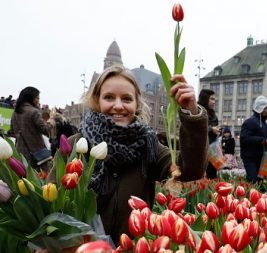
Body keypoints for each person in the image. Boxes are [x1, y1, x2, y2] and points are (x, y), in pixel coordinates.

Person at [50, 65, 208, 244]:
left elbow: (190, 170)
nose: (118, 106)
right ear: (97, 100)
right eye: (109, 97)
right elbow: (51, 200)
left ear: (137, 104)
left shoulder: (149, 145)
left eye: (126, 99)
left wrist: (192, 114)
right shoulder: (76, 145)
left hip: (132, 247)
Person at [9, 87, 53, 171]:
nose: (39, 101)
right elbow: (45, 130)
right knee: (40, 180)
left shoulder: (15, 113)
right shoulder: (34, 112)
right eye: (37, 98)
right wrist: (51, 122)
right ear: (31, 98)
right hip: (37, 155)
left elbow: (12, 132)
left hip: (20, 153)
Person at [240, 95, 267, 183]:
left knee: (260, 182)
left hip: (261, 157)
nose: (266, 110)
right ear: (258, 108)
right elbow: (244, 138)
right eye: (264, 108)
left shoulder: (265, 124)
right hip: (250, 157)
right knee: (253, 181)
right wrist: (261, 140)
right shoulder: (250, 122)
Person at [198, 89, 221, 179]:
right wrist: (211, 129)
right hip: (200, 150)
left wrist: (218, 130)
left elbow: (214, 127)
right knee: (200, 177)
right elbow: (196, 128)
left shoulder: (213, 114)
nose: (214, 102)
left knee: (212, 176)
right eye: (211, 99)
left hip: (212, 149)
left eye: (214, 99)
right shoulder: (197, 111)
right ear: (205, 98)